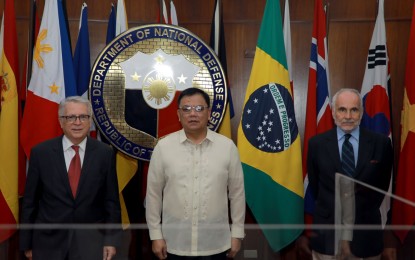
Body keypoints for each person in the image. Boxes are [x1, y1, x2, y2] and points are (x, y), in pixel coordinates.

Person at [145, 87, 245, 260]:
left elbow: (237, 194)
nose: (193, 114)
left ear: (209, 113)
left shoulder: (227, 147)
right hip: (173, 244)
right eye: (186, 109)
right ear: (178, 114)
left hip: (216, 245)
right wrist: (155, 235)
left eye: (199, 109)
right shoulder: (163, 147)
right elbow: (153, 195)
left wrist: (237, 234)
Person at [20, 96, 121, 260]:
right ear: (61, 121)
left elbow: (111, 202)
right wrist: (27, 243)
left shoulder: (105, 153)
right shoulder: (41, 153)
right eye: (71, 117)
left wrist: (111, 240)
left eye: (83, 117)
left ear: (90, 121)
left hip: (91, 243)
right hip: (48, 244)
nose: (77, 122)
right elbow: (30, 202)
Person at [307, 88, 393, 259]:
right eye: (342, 109)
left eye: (354, 110)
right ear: (333, 112)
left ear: (361, 112)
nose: (348, 116)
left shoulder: (381, 144)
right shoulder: (316, 144)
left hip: (366, 236)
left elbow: (381, 187)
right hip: (327, 235)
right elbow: (316, 186)